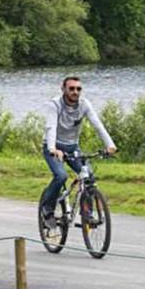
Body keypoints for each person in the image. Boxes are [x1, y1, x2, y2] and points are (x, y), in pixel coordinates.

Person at [40, 75, 116, 229]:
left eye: (78, 89)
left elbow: (97, 124)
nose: (75, 92)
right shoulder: (54, 105)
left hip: (72, 147)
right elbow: (51, 127)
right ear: (63, 89)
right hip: (53, 146)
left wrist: (110, 145)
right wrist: (53, 148)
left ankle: (86, 214)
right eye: (71, 88)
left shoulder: (84, 104)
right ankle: (47, 209)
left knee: (89, 175)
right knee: (61, 176)